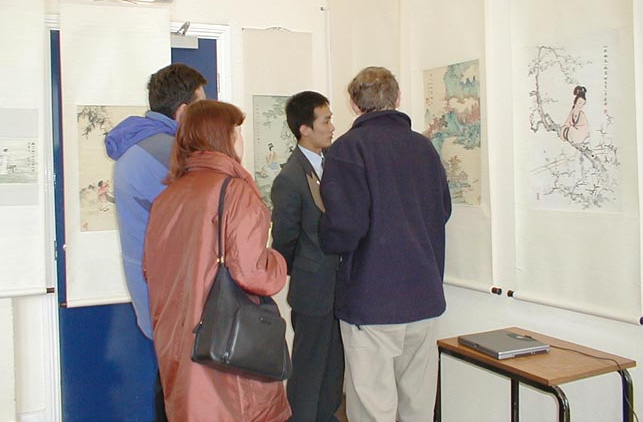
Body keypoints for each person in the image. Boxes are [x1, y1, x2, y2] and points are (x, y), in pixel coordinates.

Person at [143, 100, 291, 422]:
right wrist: (278, 261)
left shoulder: (167, 197)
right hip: (223, 348)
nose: (241, 138)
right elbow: (253, 273)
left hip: (177, 341)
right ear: (222, 137)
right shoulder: (235, 191)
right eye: (236, 130)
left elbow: (150, 270)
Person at [319, 66, 452, 422]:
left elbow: (345, 227)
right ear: (397, 99)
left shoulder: (348, 149)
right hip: (424, 297)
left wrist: (324, 234)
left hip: (370, 301)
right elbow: (442, 211)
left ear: (354, 103)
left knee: (373, 407)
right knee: (418, 406)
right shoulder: (424, 148)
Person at [105, 63, 207, 422]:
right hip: (174, 293)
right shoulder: (168, 152)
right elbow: (205, 220)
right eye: (202, 106)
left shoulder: (137, 143)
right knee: (183, 394)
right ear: (184, 111)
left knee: (171, 384)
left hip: (155, 289)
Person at [270, 91, 344, 422]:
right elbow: (284, 239)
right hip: (312, 288)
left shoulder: (333, 166)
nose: (332, 127)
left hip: (339, 287)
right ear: (304, 129)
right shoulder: (290, 178)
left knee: (334, 366)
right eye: (325, 120)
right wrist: (304, 268)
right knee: (308, 368)